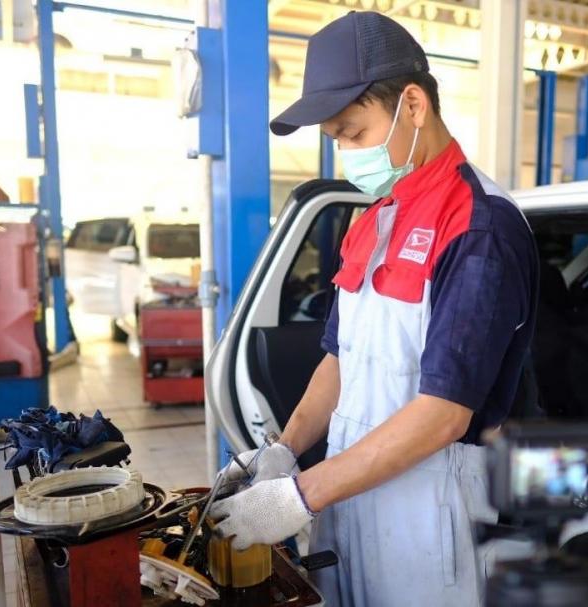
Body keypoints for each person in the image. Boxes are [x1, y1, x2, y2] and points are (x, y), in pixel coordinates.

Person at [211, 11, 538, 606]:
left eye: (354, 133)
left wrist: (299, 496)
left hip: (428, 508)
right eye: (335, 139)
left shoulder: (478, 227)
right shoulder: (374, 220)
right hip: (347, 490)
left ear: (413, 105)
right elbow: (340, 358)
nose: (345, 152)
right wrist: (286, 449)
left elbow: (444, 414)